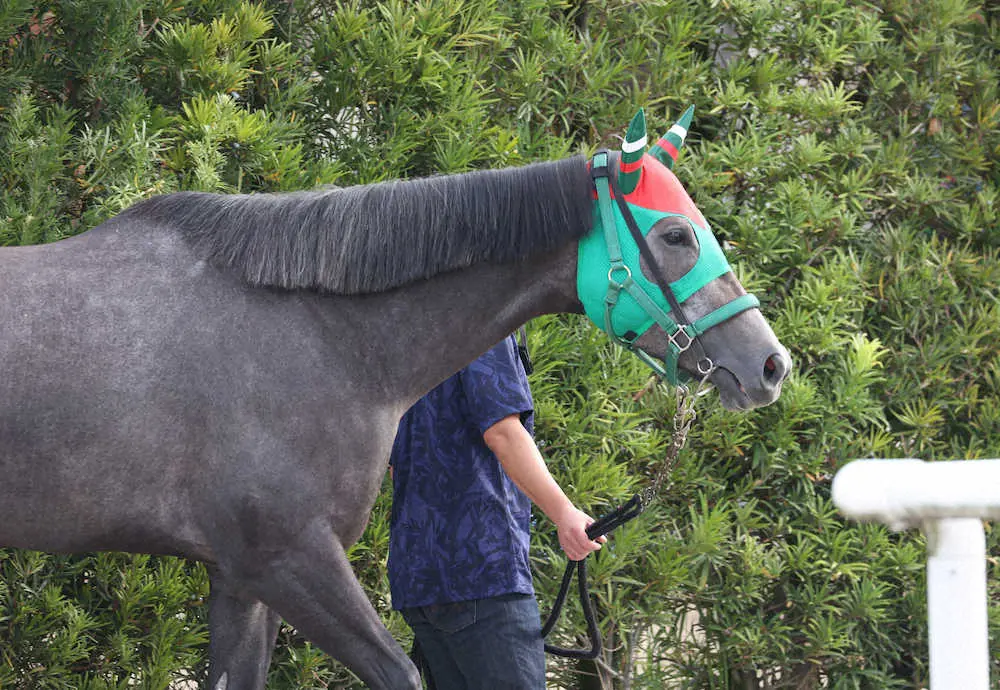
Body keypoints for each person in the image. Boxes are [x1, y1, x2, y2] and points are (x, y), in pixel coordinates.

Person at [387, 334, 605, 689]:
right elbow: (502, 432)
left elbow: (397, 466)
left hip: (418, 579)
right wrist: (565, 513)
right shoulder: (484, 323)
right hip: (481, 573)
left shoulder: (413, 334)